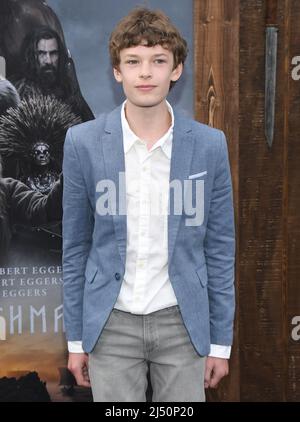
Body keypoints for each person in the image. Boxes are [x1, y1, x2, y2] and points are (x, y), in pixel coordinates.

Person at [62, 8, 236, 402]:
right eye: (133, 61)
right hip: (111, 324)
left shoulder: (210, 147)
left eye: (158, 61)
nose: (146, 73)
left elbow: (221, 249)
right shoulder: (82, 143)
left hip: (182, 324)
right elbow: (75, 249)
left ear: (176, 70)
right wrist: (76, 339)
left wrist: (220, 343)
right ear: (116, 71)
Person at [12, 26, 94, 122]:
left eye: (53, 53)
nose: (49, 61)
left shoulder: (68, 88)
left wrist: (75, 89)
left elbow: (91, 128)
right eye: (42, 53)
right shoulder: (19, 91)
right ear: (32, 56)